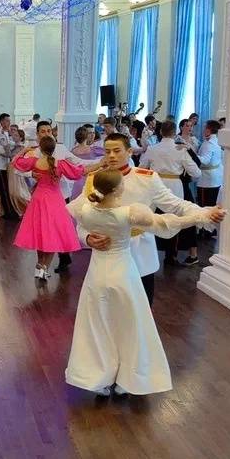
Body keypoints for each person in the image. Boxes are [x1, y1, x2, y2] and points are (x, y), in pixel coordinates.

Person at [65, 170, 214, 397]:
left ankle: (98, 376)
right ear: (118, 189)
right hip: (123, 274)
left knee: (96, 324)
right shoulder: (130, 212)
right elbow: (165, 223)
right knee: (131, 323)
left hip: (97, 275)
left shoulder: (86, 210)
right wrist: (202, 216)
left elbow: (70, 216)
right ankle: (130, 377)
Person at [68, 134, 225, 306]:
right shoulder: (95, 180)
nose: (111, 156)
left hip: (140, 252)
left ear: (129, 151)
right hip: (106, 253)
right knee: (107, 308)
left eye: (117, 151)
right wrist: (87, 238)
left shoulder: (146, 178)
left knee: (141, 307)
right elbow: (84, 217)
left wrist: (204, 213)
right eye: (107, 151)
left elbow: (176, 204)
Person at [12, 136, 87, 281]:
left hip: (38, 199)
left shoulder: (34, 161)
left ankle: (40, 265)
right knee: (53, 234)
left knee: (39, 232)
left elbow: (16, 162)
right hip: (55, 200)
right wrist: (98, 165)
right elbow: (78, 172)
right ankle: (44, 267)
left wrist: (24, 150)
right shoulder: (60, 164)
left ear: (40, 148)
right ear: (54, 148)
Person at [140, 121, 203, 266]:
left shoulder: (152, 149)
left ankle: (149, 253)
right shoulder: (180, 150)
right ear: (175, 133)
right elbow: (197, 173)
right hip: (175, 186)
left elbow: (141, 168)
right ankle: (170, 256)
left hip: (155, 185)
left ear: (160, 132)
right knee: (173, 220)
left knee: (153, 218)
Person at [196, 120, 224, 235]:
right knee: (212, 203)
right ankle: (211, 229)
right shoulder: (217, 141)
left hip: (206, 179)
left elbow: (205, 161)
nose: (203, 130)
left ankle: (206, 230)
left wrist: (192, 155)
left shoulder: (208, 144)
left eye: (205, 128)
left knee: (205, 205)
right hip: (216, 177)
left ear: (208, 130)